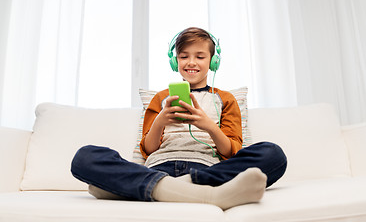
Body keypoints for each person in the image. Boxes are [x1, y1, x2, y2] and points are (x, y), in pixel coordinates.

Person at [71, 27, 287, 210]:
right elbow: (148, 149)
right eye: (184, 56)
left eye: (200, 56)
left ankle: (152, 188)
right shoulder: (161, 98)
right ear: (175, 61)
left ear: (213, 61)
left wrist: (209, 126)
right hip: (159, 166)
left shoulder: (225, 98)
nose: (191, 62)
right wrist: (160, 122)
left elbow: (231, 152)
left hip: (207, 170)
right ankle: (209, 195)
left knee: (272, 154)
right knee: (85, 157)